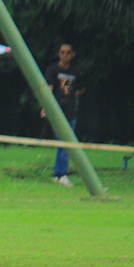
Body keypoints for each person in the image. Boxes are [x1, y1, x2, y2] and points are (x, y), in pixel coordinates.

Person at [43, 43, 84, 187]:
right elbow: (48, 87)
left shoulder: (75, 72)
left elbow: (80, 89)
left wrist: (70, 97)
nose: (65, 55)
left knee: (67, 143)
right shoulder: (52, 69)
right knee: (63, 142)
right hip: (56, 111)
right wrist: (46, 107)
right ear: (58, 54)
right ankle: (61, 174)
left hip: (70, 111)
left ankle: (59, 174)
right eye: (62, 52)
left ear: (73, 54)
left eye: (68, 52)